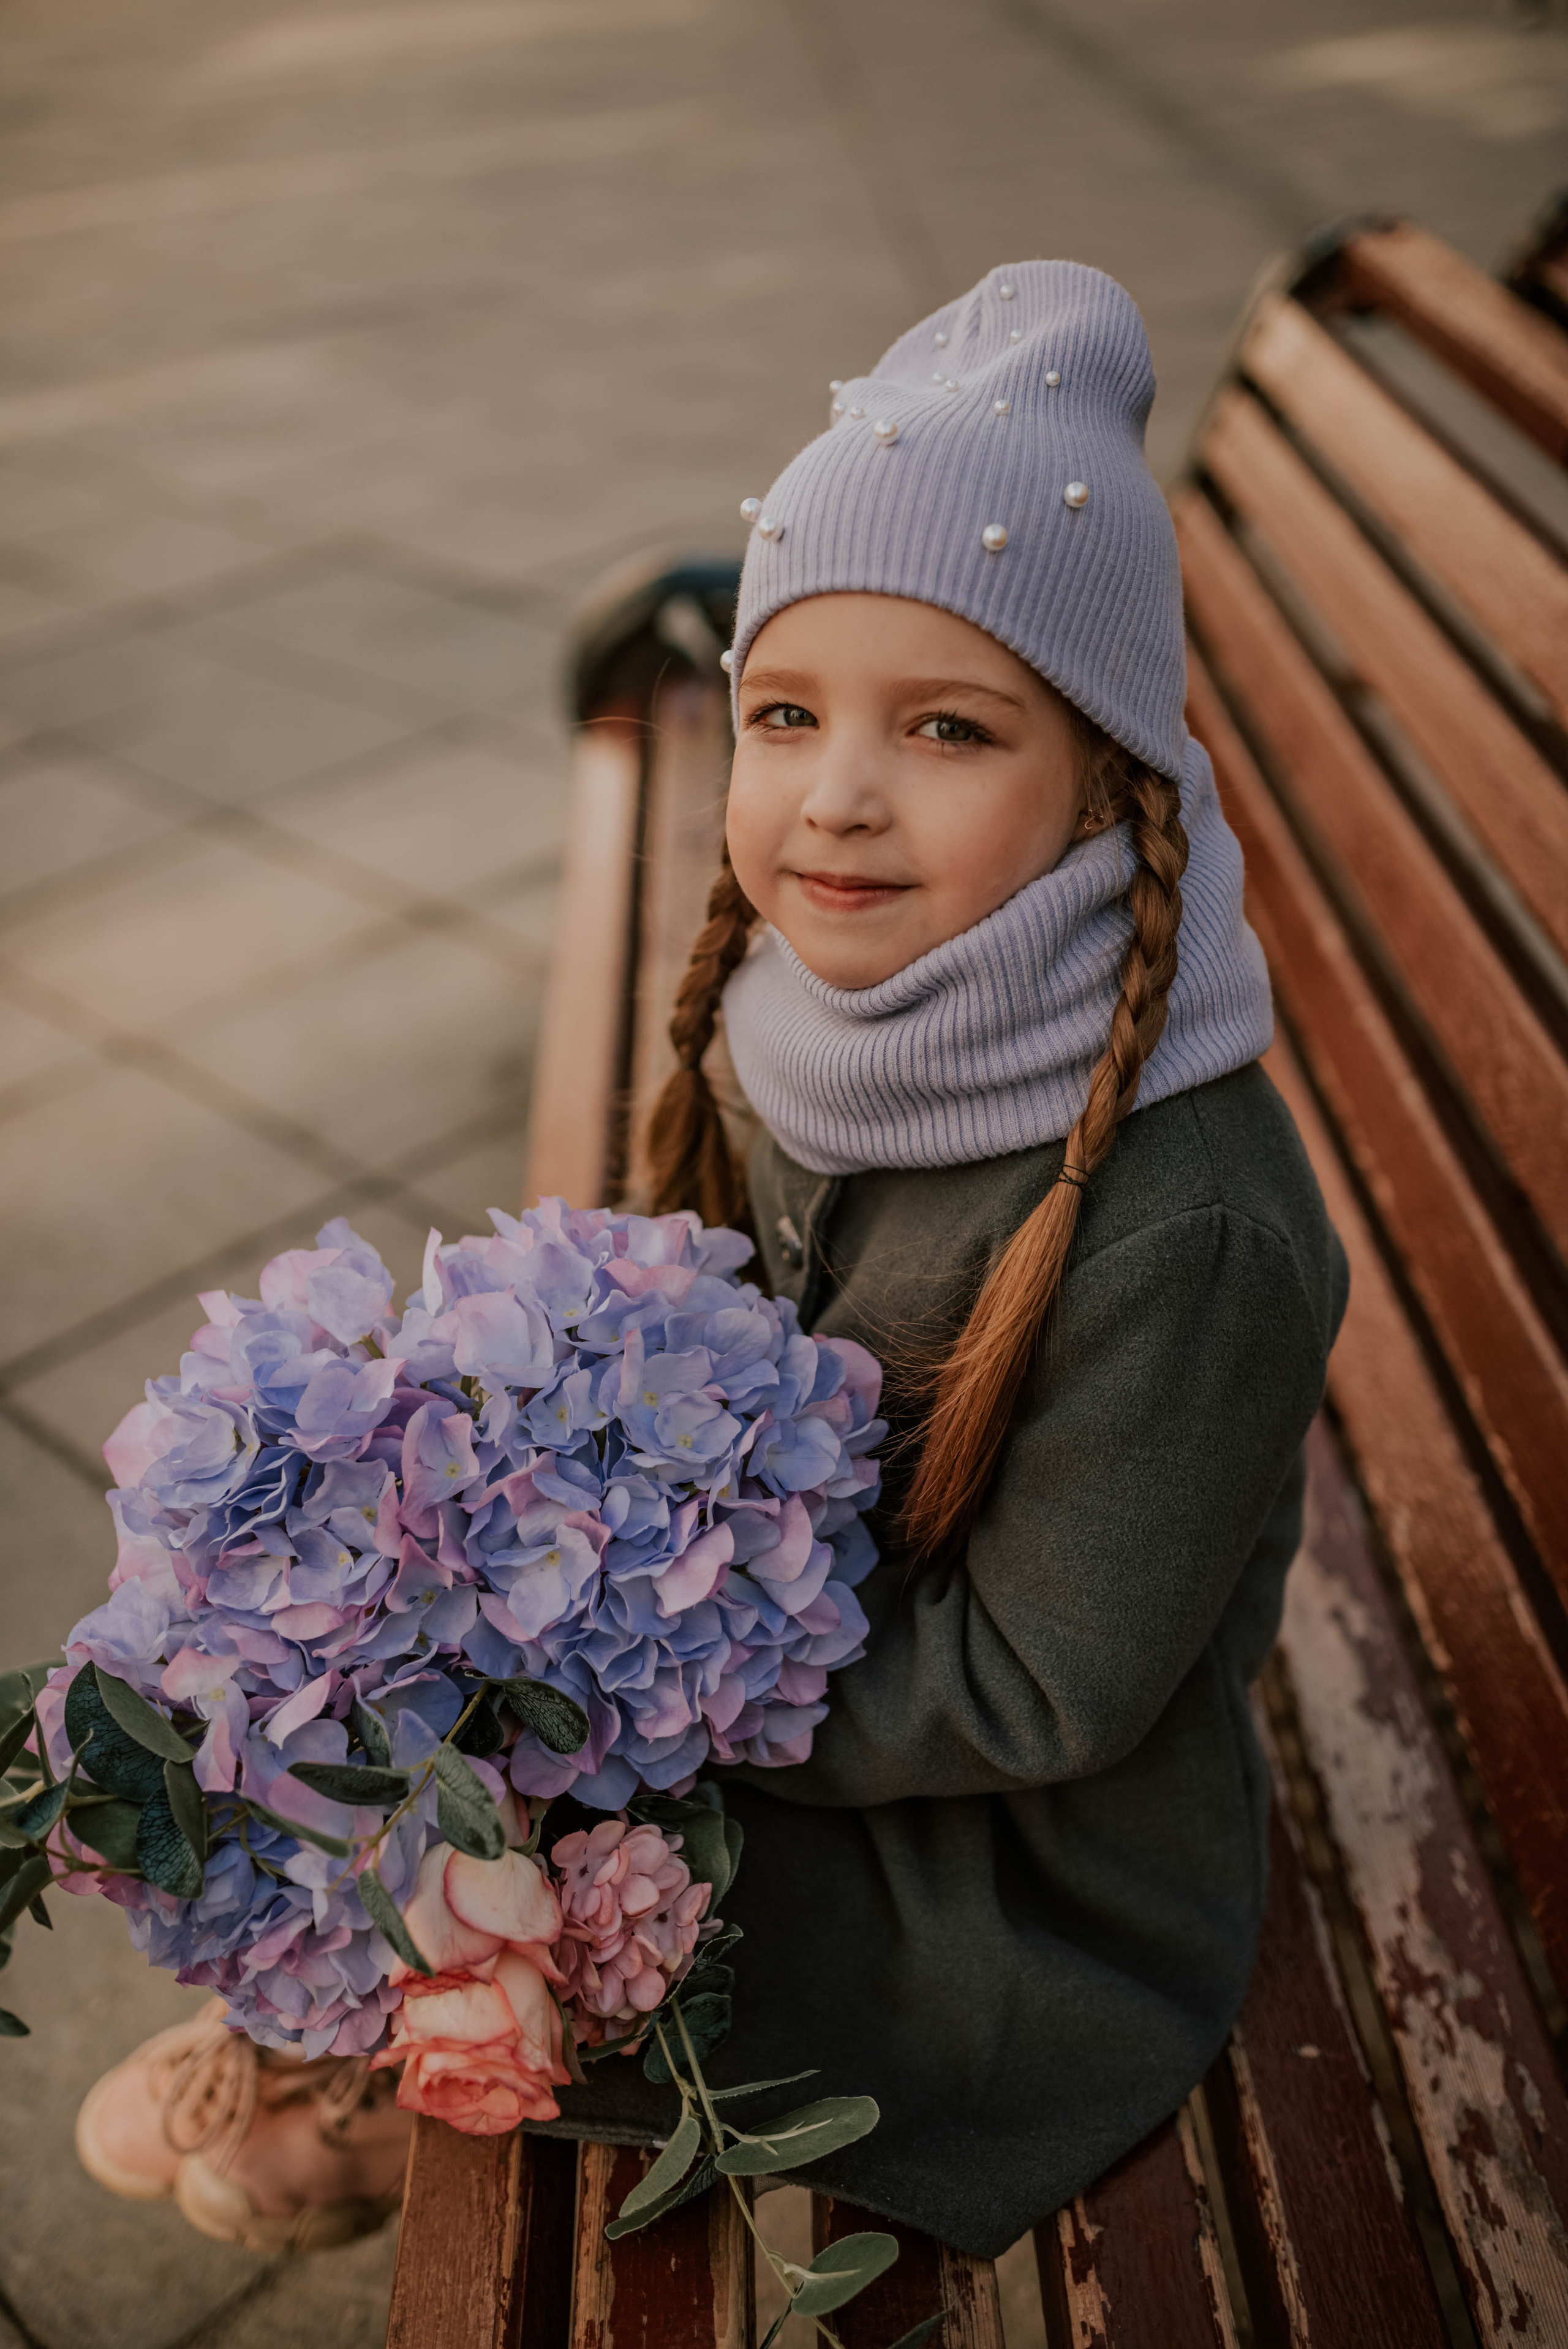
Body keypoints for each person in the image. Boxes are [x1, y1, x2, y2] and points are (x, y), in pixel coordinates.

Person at [78, 257, 1344, 2260]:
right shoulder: (831, 1003)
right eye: (784, 711)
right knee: (376, 1642)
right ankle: (352, 1984)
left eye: (946, 727)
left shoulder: (1182, 1225)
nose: (837, 791)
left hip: (1003, 1848)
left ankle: (410, 2059)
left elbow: (1037, 1694)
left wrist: (614, 1690)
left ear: (1110, 780)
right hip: (783, 1654)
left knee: (537, 1780)